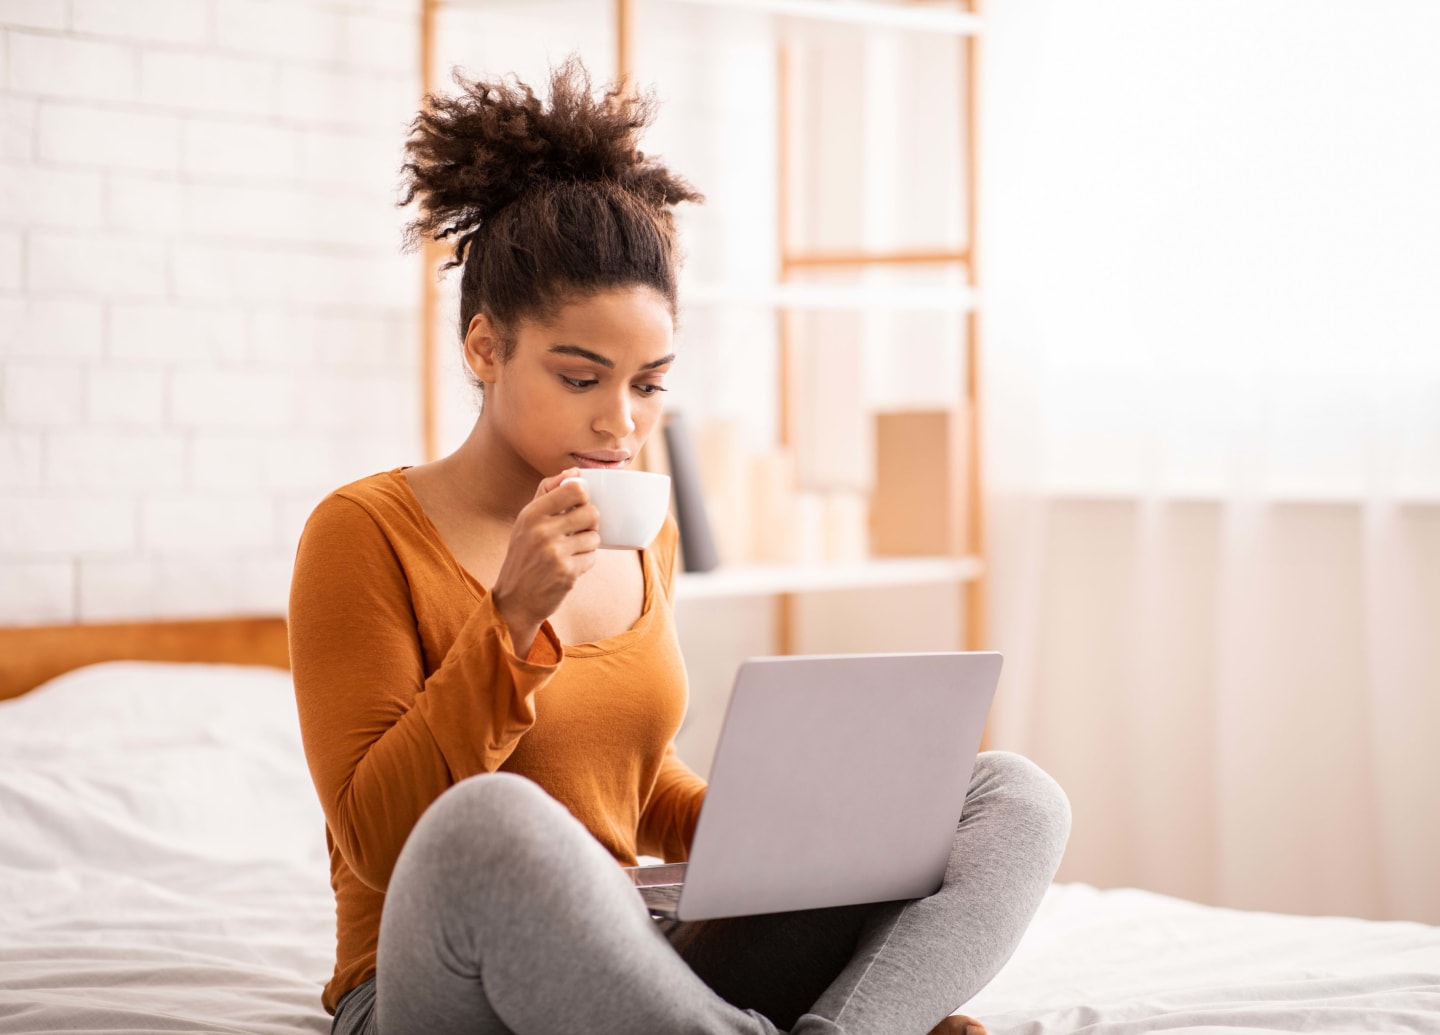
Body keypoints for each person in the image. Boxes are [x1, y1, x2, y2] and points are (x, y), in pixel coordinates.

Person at [288, 59, 1070, 1035]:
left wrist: (791, 830)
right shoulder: (362, 534)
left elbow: (637, 783)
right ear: (485, 350)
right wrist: (510, 624)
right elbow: (380, 842)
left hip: (638, 962)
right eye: (581, 379)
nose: (621, 421)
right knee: (491, 824)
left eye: (649, 383)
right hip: (439, 981)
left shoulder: (635, 527)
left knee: (1010, 794)